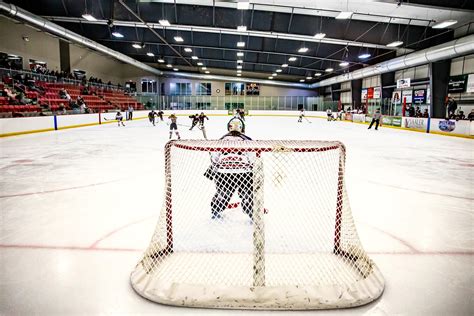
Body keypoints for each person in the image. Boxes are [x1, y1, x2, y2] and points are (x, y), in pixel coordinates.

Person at [204, 117, 254, 221]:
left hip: (224, 173)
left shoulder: (222, 140)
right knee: (247, 193)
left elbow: (214, 158)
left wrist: (214, 168)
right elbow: (253, 159)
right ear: (242, 128)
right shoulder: (247, 140)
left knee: (223, 194)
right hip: (244, 173)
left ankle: (216, 210)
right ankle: (249, 205)